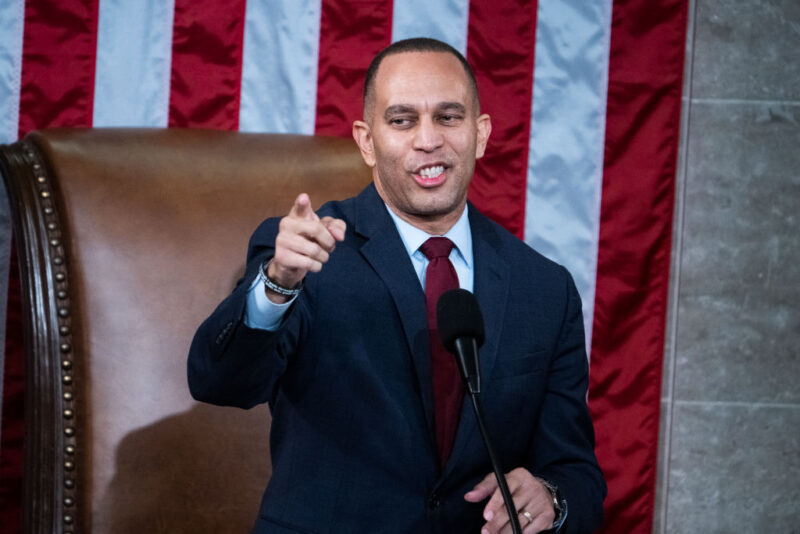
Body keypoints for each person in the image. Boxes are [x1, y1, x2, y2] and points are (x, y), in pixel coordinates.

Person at [188, 38, 605, 533]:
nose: (427, 140)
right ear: (367, 140)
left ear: (481, 133)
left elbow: (576, 472)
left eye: (448, 117)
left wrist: (550, 497)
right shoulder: (310, 255)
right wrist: (278, 285)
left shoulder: (544, 289)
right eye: (402, 120)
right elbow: (219, 383)